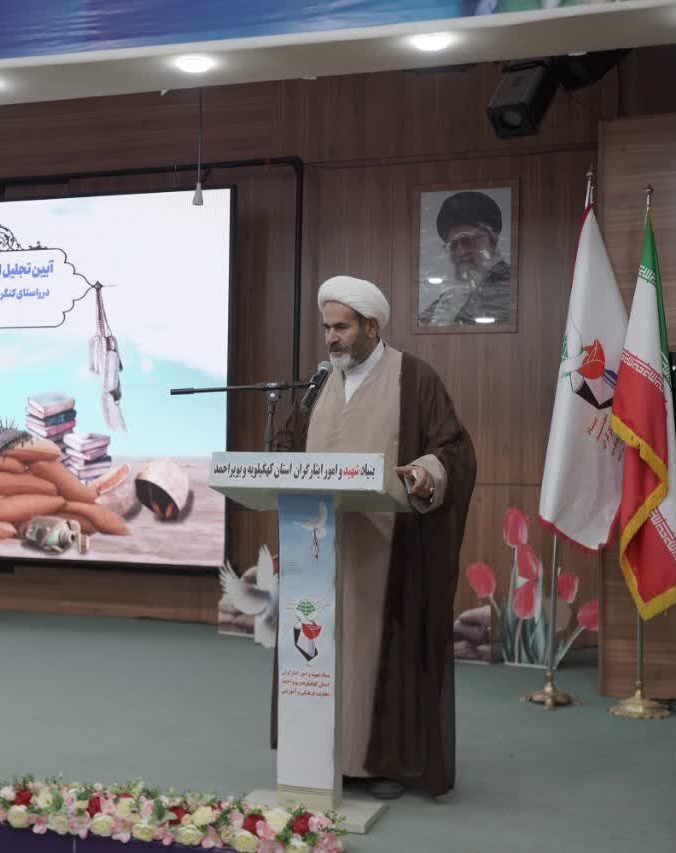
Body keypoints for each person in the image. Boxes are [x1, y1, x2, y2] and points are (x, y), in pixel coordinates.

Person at [273, 275, 476, 800]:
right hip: (318, 549)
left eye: (342, 327)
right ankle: (319, 755)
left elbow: (452, 447)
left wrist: (427, 472)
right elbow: (288, 447)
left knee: (376, 655)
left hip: (388, 549)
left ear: (371, 326)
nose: (331, 338)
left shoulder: (415, 377)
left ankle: (381, 761)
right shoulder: (319, 384)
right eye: (327, 327)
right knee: (318, 644)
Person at [418, 190, 512, 327]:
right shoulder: (449, 298)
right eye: (453, 245)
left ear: (491, 240)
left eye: (467, 241)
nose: (460, 251)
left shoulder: (512, 288)